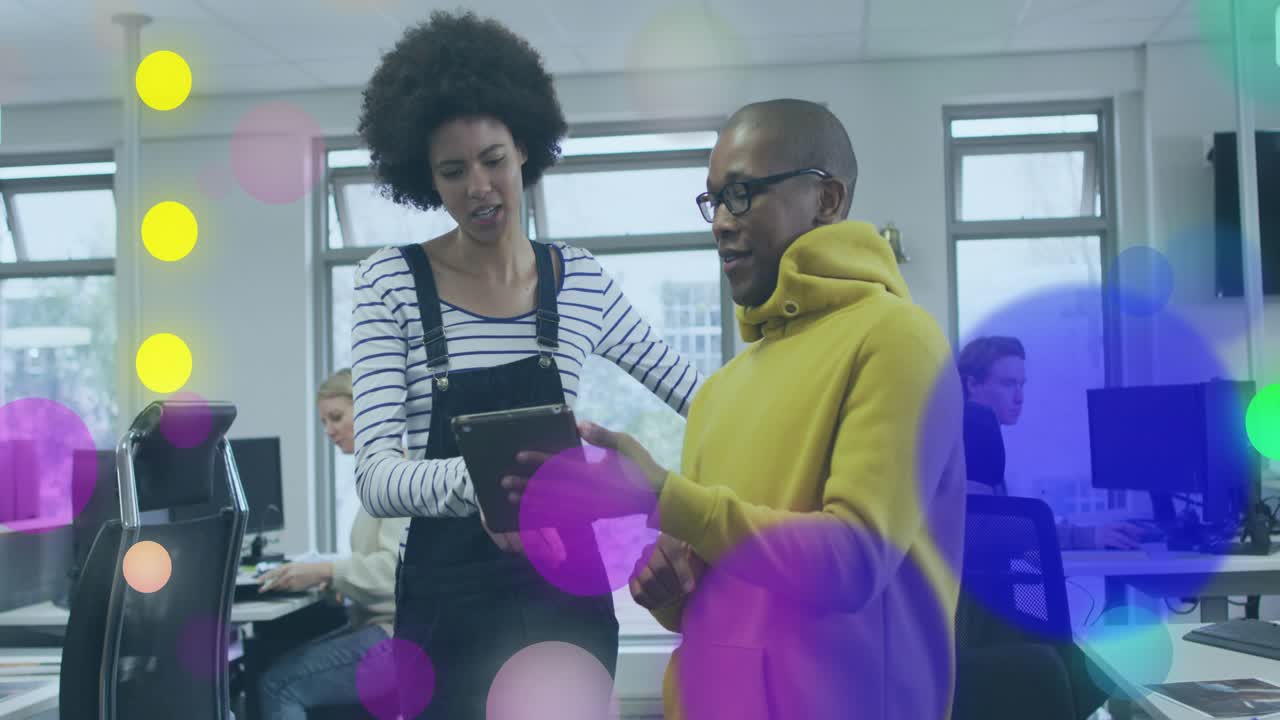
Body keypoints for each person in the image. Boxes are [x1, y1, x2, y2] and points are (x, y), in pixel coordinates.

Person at [509, 99, 967, 719]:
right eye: (714, 200)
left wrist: (663, 496)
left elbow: (854, 564)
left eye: (743, 193)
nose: (721, 221)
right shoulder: (720, 391)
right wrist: (663, 580)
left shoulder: (897, 340)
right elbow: (702, 592)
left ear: (827, 200)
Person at [350, 11, 703, 719]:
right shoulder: (389, 284)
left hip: (564, 597)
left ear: (525, 152)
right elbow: (375, 477)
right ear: (426, 178)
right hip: (445, 606)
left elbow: (703, 396)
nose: (478, 186)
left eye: (494, 159)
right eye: (452, 170)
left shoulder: (579, 282)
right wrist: (481, 484)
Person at [256, 369, 409, 720]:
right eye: (324, 421)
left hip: (394, 638)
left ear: (369, 409)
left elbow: (394, 575)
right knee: (271, 659)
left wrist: (326, 570)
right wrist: (329, 580)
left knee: (278, 684)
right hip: (381, 629)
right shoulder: (377, 477)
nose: (329, 431)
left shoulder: (394, 478)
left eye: (337, 417)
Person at [957, 335, 1146, 550]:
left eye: (1021, 385)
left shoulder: (978, 436)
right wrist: (1086, 537)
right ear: (972, 384)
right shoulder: (967, 442)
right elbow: (985, 530)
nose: (1019, 398)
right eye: (1008, 384)